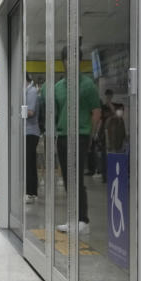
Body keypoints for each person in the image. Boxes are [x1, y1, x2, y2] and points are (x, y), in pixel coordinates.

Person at [43, 47, 100, 234]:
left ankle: (83, 219)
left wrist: (90, 136)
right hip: (63, 136)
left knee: (77, 178)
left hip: (81, 135)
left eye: (74, 58)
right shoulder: (59, 87)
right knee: (68, 178)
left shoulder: (88, 85)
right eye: (68, 59)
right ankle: (72, 218)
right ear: (64, 62)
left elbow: (96, 112)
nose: (70, 62)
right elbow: (57, 113)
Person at [24, 74, 40, 204]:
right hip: (26, 132)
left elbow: (30, 112)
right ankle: (29, 191)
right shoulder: (27, 92)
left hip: (31, 132)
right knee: (27, 163)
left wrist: (17, 112)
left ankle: (31, 192)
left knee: (30, 164)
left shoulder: (32, 92)